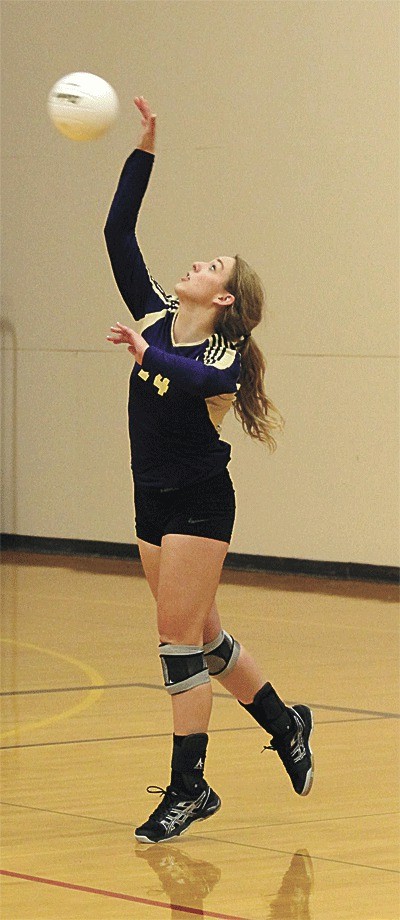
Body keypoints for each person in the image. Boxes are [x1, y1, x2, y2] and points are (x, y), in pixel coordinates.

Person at [104, 96, 314, 845]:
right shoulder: (158, 316)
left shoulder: (219, 356)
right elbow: (117, 232)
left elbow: (195, 386)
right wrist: (146, 150)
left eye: (211, 266)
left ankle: (191, 786)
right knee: (207, 635)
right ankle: (284, 720)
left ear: (222, 297)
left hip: (198, 502)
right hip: (148, 497)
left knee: (177, 643)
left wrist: (146, 357)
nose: (195, 264)